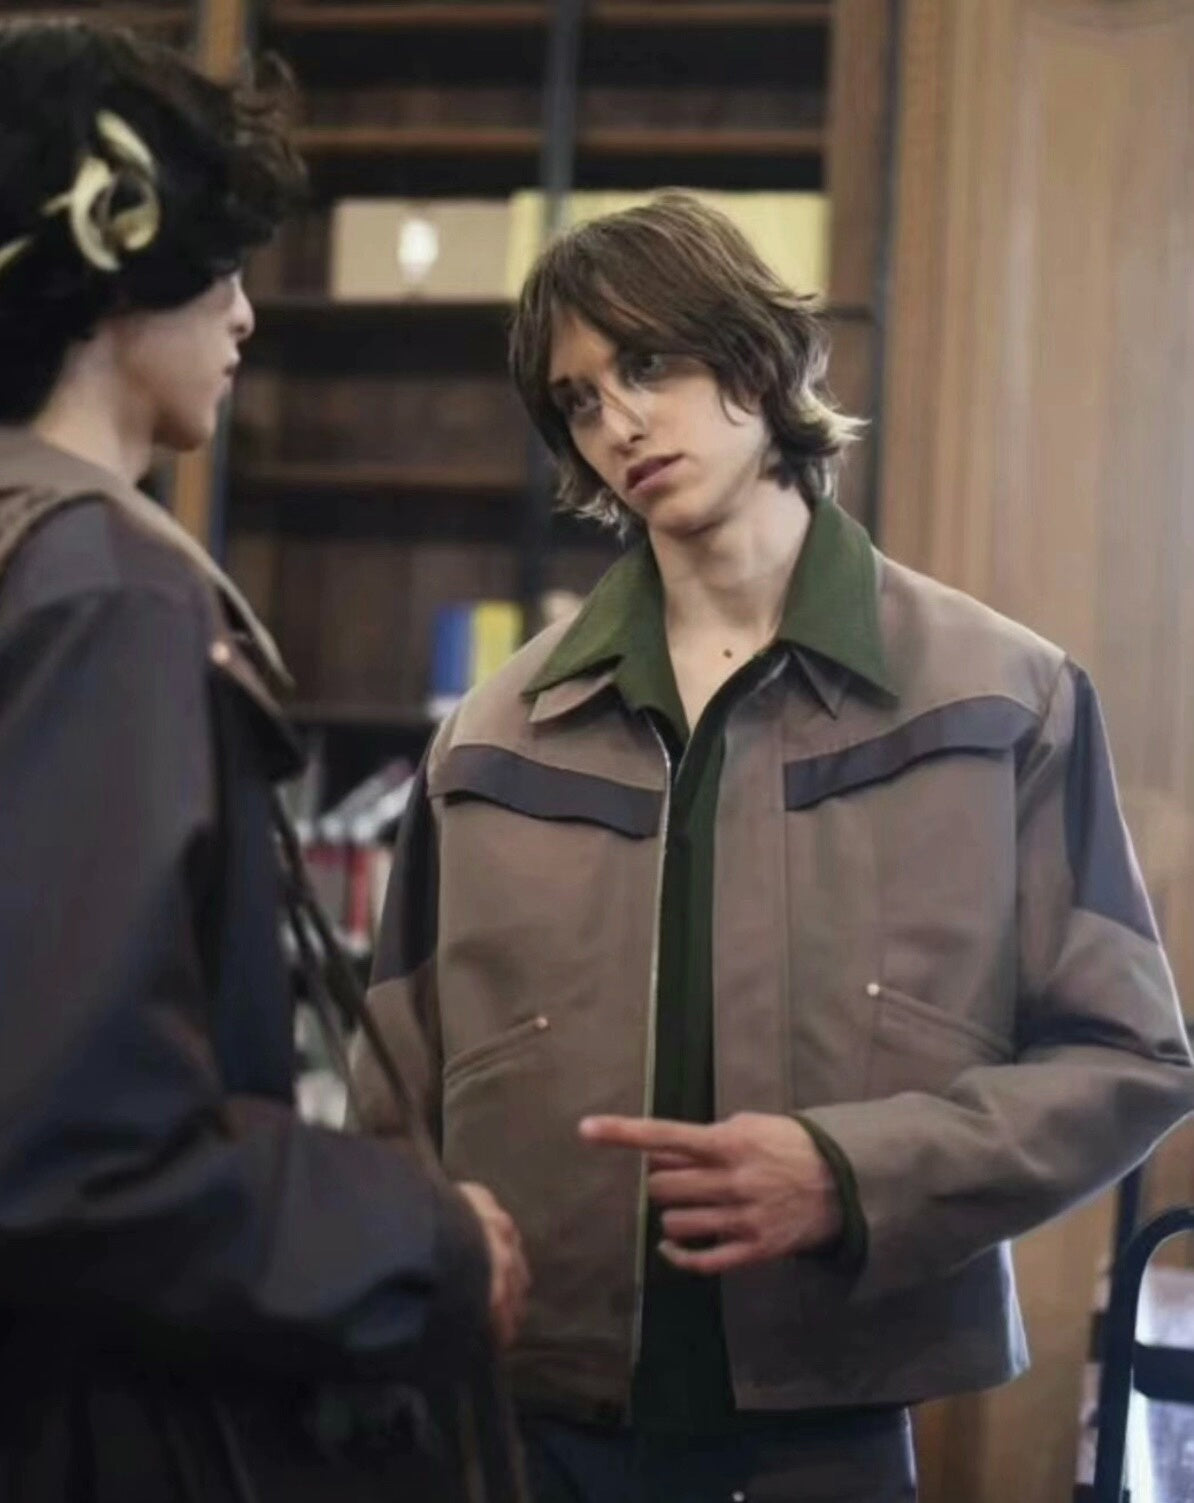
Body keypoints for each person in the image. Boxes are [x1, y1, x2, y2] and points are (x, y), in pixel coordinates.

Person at [353, 191, 1194, 1503]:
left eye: (648, 364)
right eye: (578, 400)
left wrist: (853, 1178)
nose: (618, 422)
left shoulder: (1000, 698)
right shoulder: (490, 737)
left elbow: (1126, 1058)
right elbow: (391, 1098)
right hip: (525, 1431)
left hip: (827, 1431)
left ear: (756, 358)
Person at [0, 19, 528, 1502]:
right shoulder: (100, 588)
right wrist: (425, 1241)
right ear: (111, 266)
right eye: (218, 265)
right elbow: (65, 1152)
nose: (247, 315)